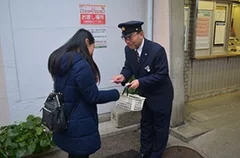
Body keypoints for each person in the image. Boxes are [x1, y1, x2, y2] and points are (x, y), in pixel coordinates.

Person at [48, 28, 120, 158]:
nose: (93, 51)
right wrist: (116, 94)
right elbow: (93, 96)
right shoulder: (81, 65)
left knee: (73, 153)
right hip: (80, 122)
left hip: (66, 118)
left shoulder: (61, 60)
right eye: (93, 46)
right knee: (80, 154)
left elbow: (72, 87)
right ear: (87, 42)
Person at [112, 21, 174, 158]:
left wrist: (140, 81)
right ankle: (144, 152)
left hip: (161, 96)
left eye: (130, 37)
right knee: (146, 124)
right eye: (125, 38)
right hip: (145, 96)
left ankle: (156, 154)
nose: (128, 41)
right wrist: (123, 76)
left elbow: (161, 75)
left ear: (141, 34)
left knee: (160, 128)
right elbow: (128, 66)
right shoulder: (128, 50)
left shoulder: (157, 50)